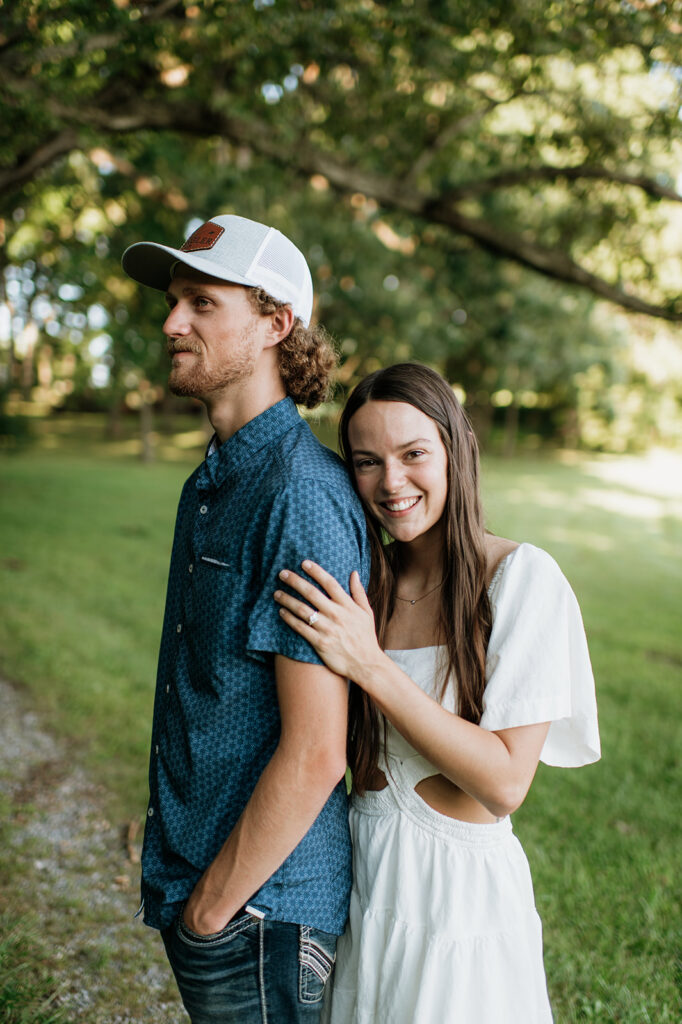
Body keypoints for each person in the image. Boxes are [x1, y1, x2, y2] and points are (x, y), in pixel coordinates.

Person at [274, 362, 601, 1024]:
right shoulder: (366, 582)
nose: (391, 482)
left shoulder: (521, 579)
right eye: (367, 462)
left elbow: (506, 781)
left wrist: (371, 665)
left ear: (456, 450)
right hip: (360, 880)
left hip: (457, 903)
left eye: (413, 453)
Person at [121, 213, 370, 1023]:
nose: (171, 322)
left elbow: (316, 750)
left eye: (201, 302)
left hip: (260, 911)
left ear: (275, 323)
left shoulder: (300, 495)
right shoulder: (217, 478)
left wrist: (211, 911)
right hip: (214, 882)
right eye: (173, 301)